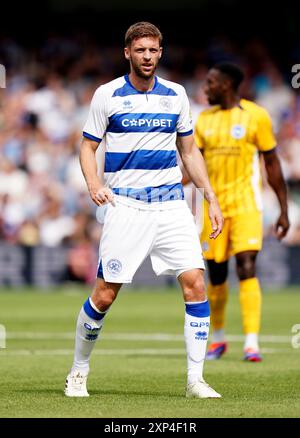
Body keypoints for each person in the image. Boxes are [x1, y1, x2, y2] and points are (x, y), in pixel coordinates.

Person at [64, 22, 224, 399]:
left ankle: (195, 380)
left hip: (170, 205)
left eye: (153, 50)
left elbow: (189, 151)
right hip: (127, 207)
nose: (147, 57)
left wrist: (210, 197)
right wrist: (94, 185)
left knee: (196, 284)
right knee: (104, 295)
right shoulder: (108, 95)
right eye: (140, 51)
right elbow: (87, 147)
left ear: (160, 53)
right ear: (127, 53)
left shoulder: (176, 95)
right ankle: (78, 370)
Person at [193, 63, 289, 362]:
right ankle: (219, 338)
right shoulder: (203, 121)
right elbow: (190, 166)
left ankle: (251, 343)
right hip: (213, 209)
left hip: (247, 205)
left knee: (247, 267)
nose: (205, 88)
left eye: (210, 83)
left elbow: (272, 164)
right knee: (217, 275)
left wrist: (284, 209)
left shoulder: (256, 116)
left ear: (227, 85)